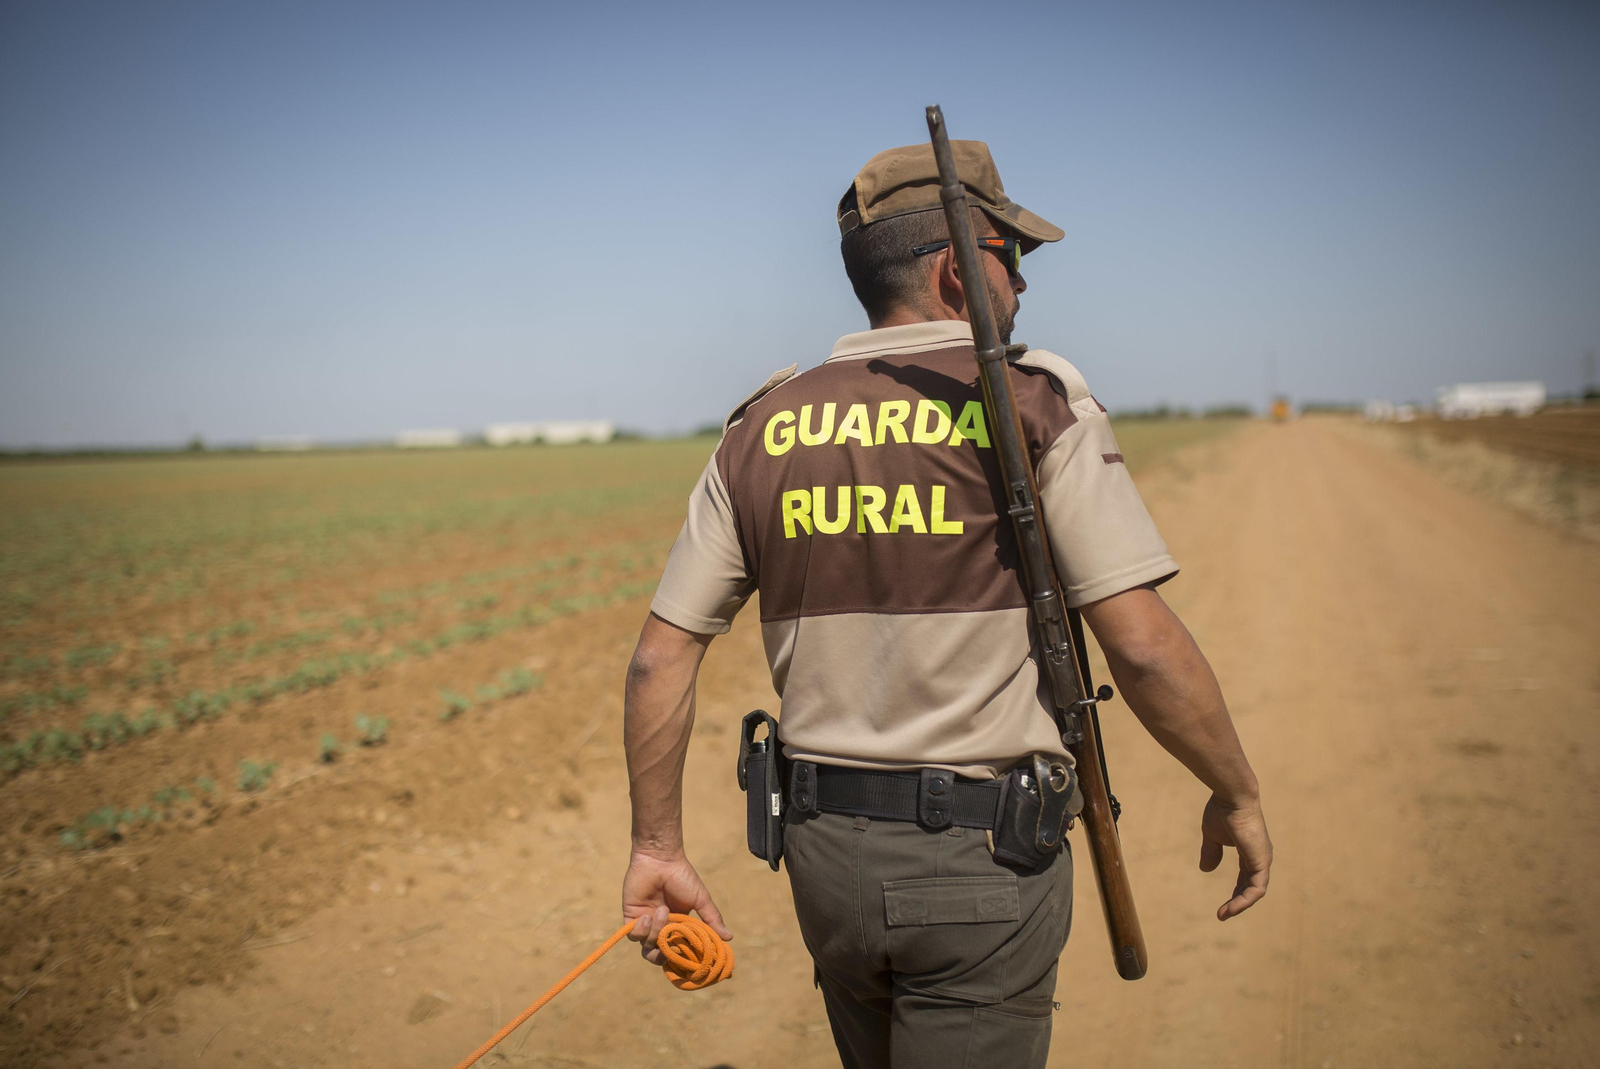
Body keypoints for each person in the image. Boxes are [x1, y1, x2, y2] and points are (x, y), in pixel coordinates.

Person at [620, 139, 1272, 1068]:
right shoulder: (1032, 403)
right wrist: (1235, 789)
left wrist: (657, 842)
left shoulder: (761, 428)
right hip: (982, 868)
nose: (1022, 285)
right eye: (1011, 259)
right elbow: (1144, 647)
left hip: (823, 861)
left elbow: (658, 656)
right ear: (956, 274)